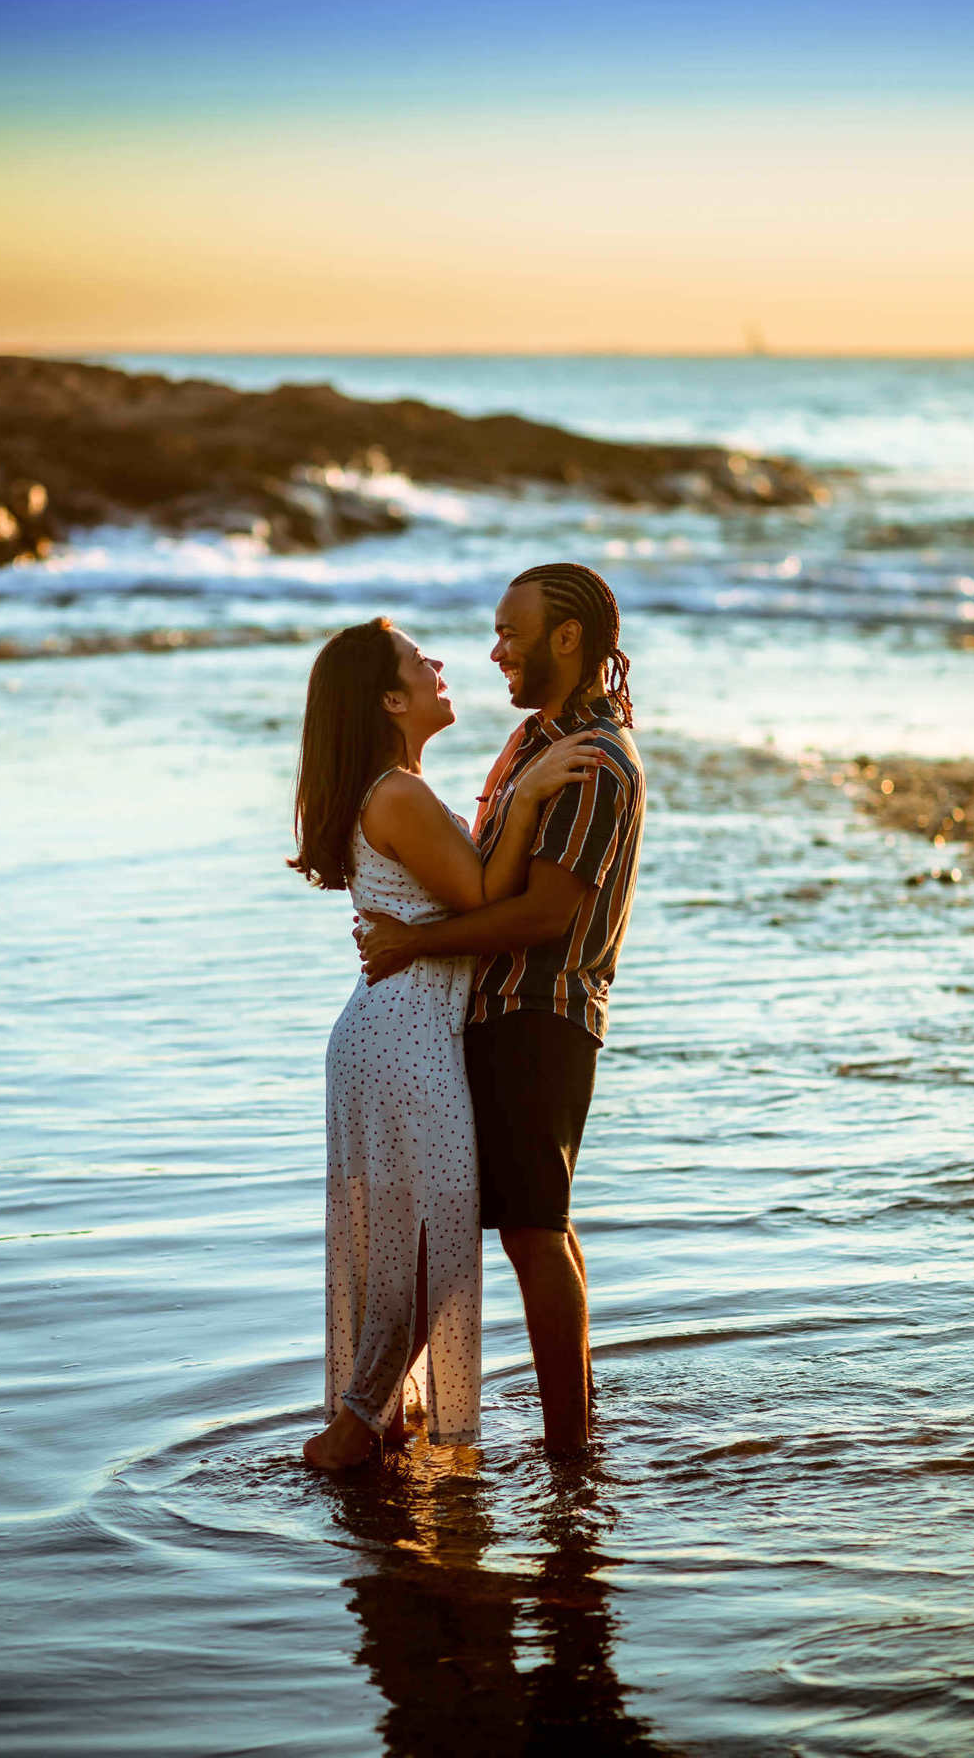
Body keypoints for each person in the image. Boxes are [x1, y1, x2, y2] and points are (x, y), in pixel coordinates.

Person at [291, 616, 598, 1472]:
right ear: (392, 699)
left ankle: (374, 1418)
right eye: (418, 662)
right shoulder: (396, 793)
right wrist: (532, 794)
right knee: (433, 1236)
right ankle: (354, 1428)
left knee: (414, 1237)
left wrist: (511, 781)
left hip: (394, 1029)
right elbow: (483, 896)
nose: (439, 665)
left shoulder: (399, 789)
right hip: (405, 1037)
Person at [359, 564, 646, 1457]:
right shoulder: (532, 744)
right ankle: (373, 1414)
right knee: (504, 1220)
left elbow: (542, 914)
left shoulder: (592, 759)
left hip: (541, 1014)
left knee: (530, 1228)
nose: (496, 652)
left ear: (569, 639)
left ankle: (569, 1454)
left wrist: (413, 945)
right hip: (492, 1012)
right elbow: (488, 873)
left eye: (512, 634)